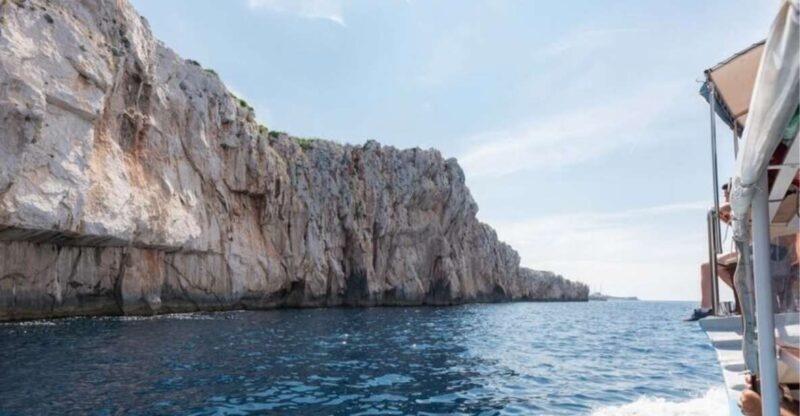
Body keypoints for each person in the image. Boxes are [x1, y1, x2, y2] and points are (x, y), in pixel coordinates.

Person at [686, 183, 738, 321]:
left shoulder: (738, 201)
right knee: (717, 269)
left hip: (753, 249)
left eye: (727, 194)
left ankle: (706, 308)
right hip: (748, 249)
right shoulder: (738, 208)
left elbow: (719, 209)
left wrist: (720, 208)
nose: (725, 197)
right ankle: (744, 299)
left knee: (707, 267)